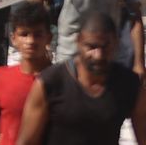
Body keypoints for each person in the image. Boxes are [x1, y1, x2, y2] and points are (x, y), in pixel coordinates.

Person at [14, 12, 146, 145]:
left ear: (116, 43)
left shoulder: (129, 84)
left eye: (105, 47)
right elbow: (26, 141)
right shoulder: (51, 82)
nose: (98, 55)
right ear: (78, 42)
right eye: (91, 47)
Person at [0, 2, 52, 145]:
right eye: (24, 34)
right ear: (13, 38)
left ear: (49, 38)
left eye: (37, 35)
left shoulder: (62, 80)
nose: (31, 41)